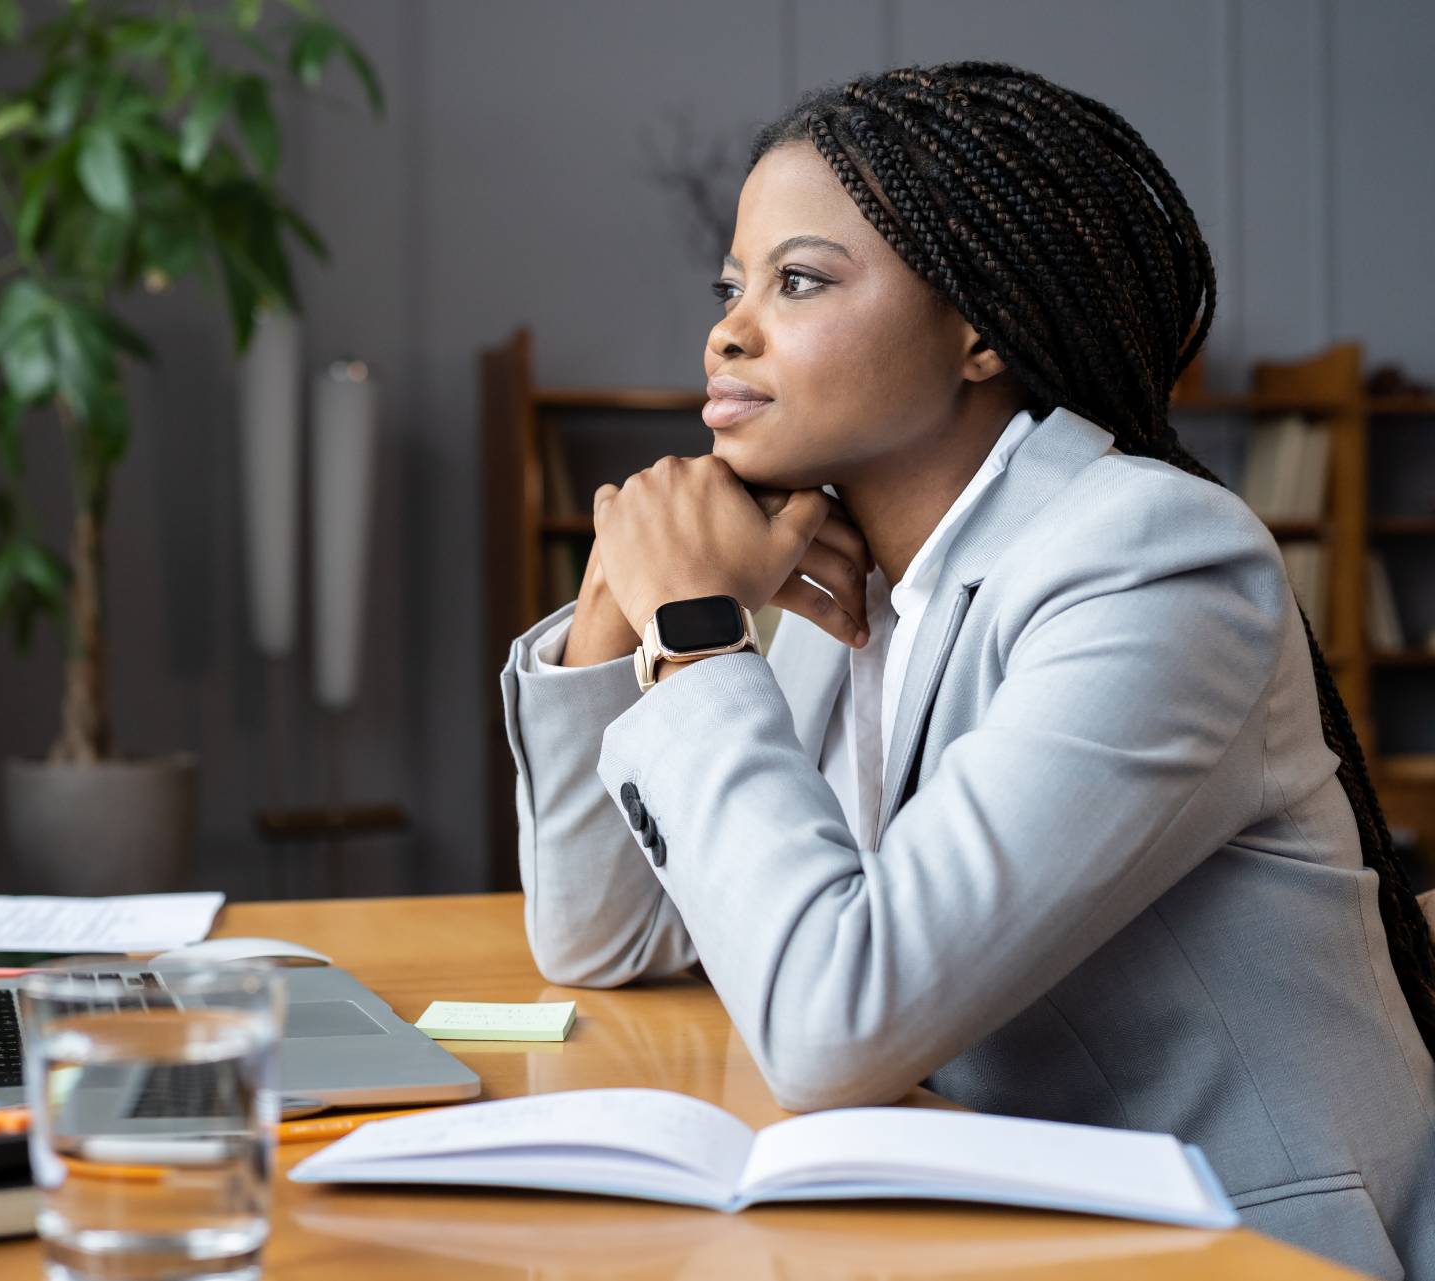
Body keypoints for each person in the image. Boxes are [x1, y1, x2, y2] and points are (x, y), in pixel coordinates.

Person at [500, 62, 1435, 1280]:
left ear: (980, 328)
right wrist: (617, 599)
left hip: (1241, 1251)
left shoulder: (1150, 565)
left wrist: (693, 623)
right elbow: (601, 938)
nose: (728, 329)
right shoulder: (854, 576)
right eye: (733, 286)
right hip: (1003, 1224)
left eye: (798, 281)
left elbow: (839, 1023)